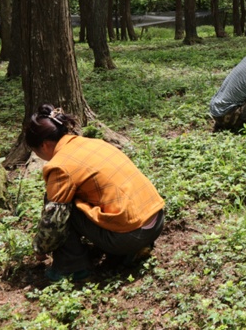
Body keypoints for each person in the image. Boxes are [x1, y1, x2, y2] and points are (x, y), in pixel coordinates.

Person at [26, 104, 165, 282]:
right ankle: (130, 251)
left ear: (44, 145)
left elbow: (54, 222)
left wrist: (40, 248)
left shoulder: (60, 165)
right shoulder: (93, 143)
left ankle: (71, 268)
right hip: (156, 220)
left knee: (61, 208)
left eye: (36, 151)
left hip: (131, 234)